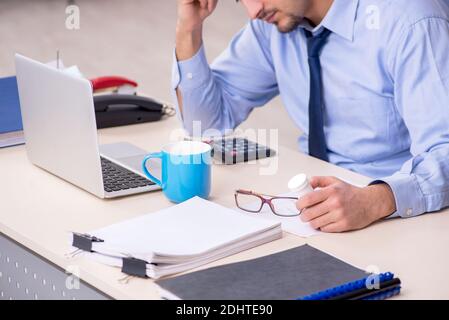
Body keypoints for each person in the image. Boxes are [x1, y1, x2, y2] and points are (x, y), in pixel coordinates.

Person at [172, 0, 449, 232]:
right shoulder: (271, 27)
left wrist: (374, 201)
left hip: (403, 219)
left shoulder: (410, 20)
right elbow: (206, 124)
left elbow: (444, 151)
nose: (252, 10)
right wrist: (189, 28)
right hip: (314, 218)